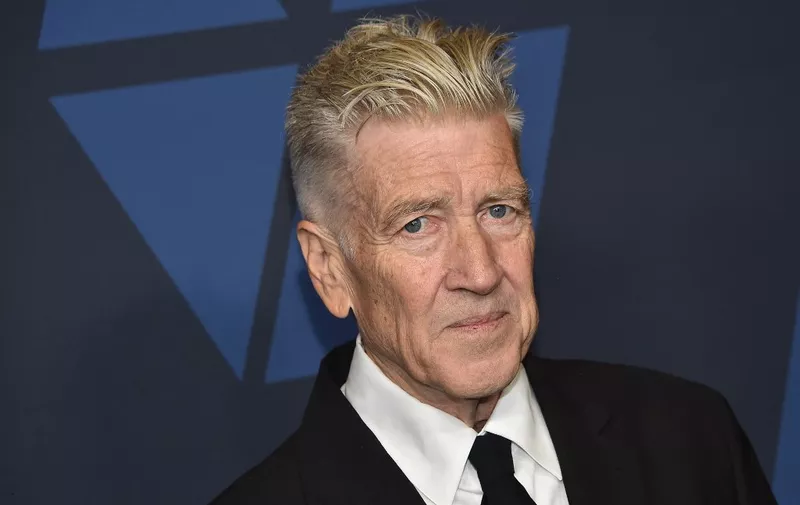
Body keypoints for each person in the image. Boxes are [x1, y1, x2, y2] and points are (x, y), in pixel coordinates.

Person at [210, 15, 776, 505]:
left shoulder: (692, 444)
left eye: (499, 211)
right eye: (417, 225)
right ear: (330, 269)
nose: (480, 274)